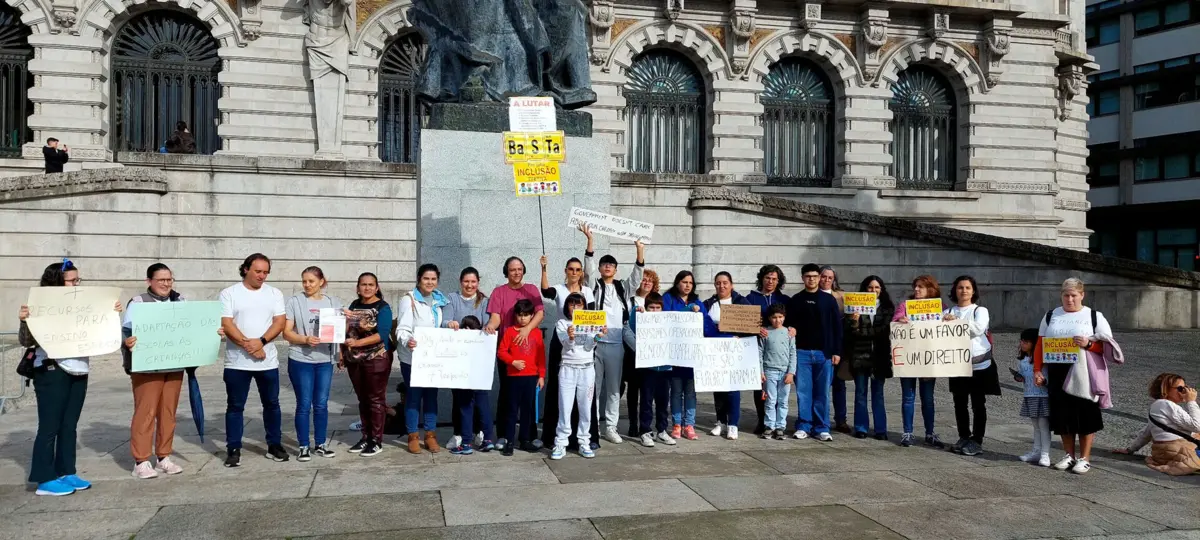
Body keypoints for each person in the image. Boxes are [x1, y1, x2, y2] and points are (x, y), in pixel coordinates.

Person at [18, 259, 122, 496]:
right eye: (72, 281)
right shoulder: (41, 303)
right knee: (49, 425)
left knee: (69, 425)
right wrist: (25, 320)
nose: (76, 284)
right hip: (51, 367)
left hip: (78, 367)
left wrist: (110, 312)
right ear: (57, 282)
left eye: (78, 280)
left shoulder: (83, 303)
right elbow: (27, 341)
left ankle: (66, 470)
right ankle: (44, 478)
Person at [121, 263, 222, 478]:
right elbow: (125, 332)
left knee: (168, 413)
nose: (166, 284)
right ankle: (141, 460)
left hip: (173, 365)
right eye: (161, 280)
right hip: (147, 368)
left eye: (169, 279)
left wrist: (212, 332)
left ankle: (163, 456)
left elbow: (193, 328)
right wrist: (127, 342)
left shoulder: (180, 301)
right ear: (149, 281)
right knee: (145, 412)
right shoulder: (138, 303)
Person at [1034, 277, 1118, 474]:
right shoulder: (1050, 315)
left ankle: (1085, 457)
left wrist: (1088, 344)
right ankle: (1069, 455)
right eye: (1066, 295)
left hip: (1084, 371)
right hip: (1057, 370)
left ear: (1082, 295)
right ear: (1061, 295)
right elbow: (1040, 344)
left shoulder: (1094, 316)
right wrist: (1038, 369)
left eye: (1073, 295)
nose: (1069, 299)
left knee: (1086, 413)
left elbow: (1107, 345)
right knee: (1062, 414)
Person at [219, 253, 287, 467]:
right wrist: (249, 346)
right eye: (258, 271)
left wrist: (262, 341)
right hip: (237, 361)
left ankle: (274, 444)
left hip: (267, 360)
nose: (262, 276)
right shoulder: (229, 293)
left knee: (272, 404)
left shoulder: (275, 293)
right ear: (246, 269)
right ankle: (233, 447)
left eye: (266, 272)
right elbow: (227, 324)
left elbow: (279, 322)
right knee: (235, 405)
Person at [581, 224, 646, 444]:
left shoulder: (622, 288)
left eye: (611, 265)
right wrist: (590, 241)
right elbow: (587, 269)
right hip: (595, 343)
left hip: (617, 344)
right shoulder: (593, 286)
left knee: (613, 390)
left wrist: (639, 250)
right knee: (594, 386)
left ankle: (611, 427)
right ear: (600, 268)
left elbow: (636, 278)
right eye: (604, 264)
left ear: (616, 269)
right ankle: (593, 427)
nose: (607, 267)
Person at [282, 266, 342, 462]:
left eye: (311, 281)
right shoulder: (295, 301)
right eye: (304, 281)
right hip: (301, 358)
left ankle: (321, 443)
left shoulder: (333, 302)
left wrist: (340, 352)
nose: (307, 285)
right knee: (304, 404)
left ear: (321, 282)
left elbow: (339, 331)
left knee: (322, 404)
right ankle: (303, 446)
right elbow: (286, 332)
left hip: (325, 359)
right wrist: (304, 339)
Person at [538, 255, 598, 449]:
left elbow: (592, 317)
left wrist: (596, 334)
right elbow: (545, 291)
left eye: (578, 269)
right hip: (563, 338)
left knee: (585, 392)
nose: (574, 272)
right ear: (566, 271)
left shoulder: (588, 291)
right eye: (571, 269)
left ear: (582, 273)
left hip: (584, 341)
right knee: (559, 387)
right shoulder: (560, 289)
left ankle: (586, 439)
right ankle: (555, 437)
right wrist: (544, 268)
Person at [486, 256, 546, 448]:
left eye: (520, 269)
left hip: (529, 354)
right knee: (506, 396)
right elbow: (496, 317)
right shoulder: (499, 292)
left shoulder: (531, 290)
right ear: (506, 272)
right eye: (512, 269)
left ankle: (527, 435)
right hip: (508, 353)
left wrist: (527, 330)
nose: (517, 272)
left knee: (529, 400)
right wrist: (489, 326)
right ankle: (504, 435)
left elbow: (540, 312)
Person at [784, 263, 843, 441]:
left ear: (819, 278)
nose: (812, 279)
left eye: (815, 276)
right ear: (803, 278)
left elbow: (836, 327)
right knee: (803, 392)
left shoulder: (829, 300)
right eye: (808, 276)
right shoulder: (795, 300)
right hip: (801, 352)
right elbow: (789, 325)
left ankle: (822, 427)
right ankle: (804, 425)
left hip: (823, 353)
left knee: (822, 392)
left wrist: (836, 351)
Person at [942, 275, 999, 456]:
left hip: (979, 365)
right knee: (959, 403)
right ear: (955, 290)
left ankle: (977, 439)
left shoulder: (980, 310)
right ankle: (963, 436)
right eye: (960, 287)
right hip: (957, 364)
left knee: (978, 403)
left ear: (973, 291)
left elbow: (977, 329)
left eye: (967, 287)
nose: (964, 291)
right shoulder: (948, 310)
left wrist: (956, 322)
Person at [397, 264, 449, 454]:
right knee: (413, 397)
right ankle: (413, 435)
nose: (430, 282)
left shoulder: (439, 300)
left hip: (432, 358)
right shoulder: (408, 299)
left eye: (433, 279)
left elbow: (441, 324)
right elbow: (402, 328)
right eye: (426, 278)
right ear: (419, 279)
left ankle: (430, 435)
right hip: (412, 358)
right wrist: (407, 340)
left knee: (431, 397)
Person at [442, 267, 494, 454]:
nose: (470, 285)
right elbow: (444, 320)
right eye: (466, 282)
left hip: (478, 358)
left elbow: (488, 324)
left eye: (473, 282)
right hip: (458, 358)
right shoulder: (452, 299)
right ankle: (462, 436)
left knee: (480, 400)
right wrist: (450, 323)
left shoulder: (484, 301)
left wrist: (488, 327)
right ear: (460, 281)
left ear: (478, 282)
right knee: (461, 399)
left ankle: (484, 435)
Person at [892, 275, 947, 449]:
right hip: (909, 358)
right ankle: (907, 432)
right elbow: (894, 323)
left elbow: (948, 330)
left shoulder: (940, 308)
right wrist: (900, 320)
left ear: (931, 289)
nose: (916, 289)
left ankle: (929, 432)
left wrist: (950, 320)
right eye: (915, 286)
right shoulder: (905, 306)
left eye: (920, 287)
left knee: (928, 398)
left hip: (928, 361)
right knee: (908, 397)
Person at [342, 272, 393, 457]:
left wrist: (357, 344)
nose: (367, 288)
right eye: (363, 284)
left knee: (376, 400)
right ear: (358, 287)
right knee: (363, 399)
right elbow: (347, 331)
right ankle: (365, 437)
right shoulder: (354, 305)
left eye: (371, 284)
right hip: (355, 360)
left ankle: (376, 440)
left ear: (377, 287)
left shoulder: (383, 307)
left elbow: (382, 334)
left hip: (376, 359)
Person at [1114, 373, 1200, 476]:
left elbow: (1147, 433)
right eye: (1180, 388)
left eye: (1185, 388)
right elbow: (1197, 425)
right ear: (1165, 389)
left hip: (1163, 453)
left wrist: (1130, 449)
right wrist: (1191, 401)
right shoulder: (1166, 404)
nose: (1184, 391)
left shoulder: (1157, 406)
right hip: (1178, 450)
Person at [702, 271, 754, 440]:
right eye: (718, 283)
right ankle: (720, 421)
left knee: (732, 389)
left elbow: (751, 326)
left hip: (735, 351)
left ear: (732, 284)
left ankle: (733, 424)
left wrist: (740, 336)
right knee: (718, 388)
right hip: (716, 351)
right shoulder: (709, 303)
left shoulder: (742, 302)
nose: (721, 286)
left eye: (725, 283)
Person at [550, 293, 601, 460]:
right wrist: (571, 337)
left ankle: (584, 441)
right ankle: (561, 442)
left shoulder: (590, 321)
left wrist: (598, 336)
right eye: (572, 305)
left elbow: (588, 347)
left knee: (585, 407)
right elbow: (566, 345)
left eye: (579, 305)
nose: (575, 308)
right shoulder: (562, 323)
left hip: (587, 368)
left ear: (584, 307)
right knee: (565, 406)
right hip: (567, 368)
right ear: (567, 307)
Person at [843, 275, 894, 440]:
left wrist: (861, 331)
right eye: (870, 288)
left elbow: (883, 331)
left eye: (876, 288)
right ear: (865, 289)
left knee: (878, 395)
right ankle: (861, 427)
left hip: (879, 357)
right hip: (860, 356)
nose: (873, 291)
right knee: (860, 393)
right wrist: (854, 322)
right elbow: (849, 332)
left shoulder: (887, 307)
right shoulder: (855, 306)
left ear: (881, 290)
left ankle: (880, 429)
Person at [497, 299, 546, 456]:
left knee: (528, 410)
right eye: (520, 315)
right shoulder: (510, 332)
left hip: (531, 377)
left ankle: (525, 440)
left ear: (532, 316)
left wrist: (542, 375)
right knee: (511, 410)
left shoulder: (537, 333)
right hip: (513, 377)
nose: (522, 318)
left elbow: (541, 356)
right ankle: (509, 441)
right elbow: (501, 351)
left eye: (526, 315)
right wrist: (513, 362)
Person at [747, 264, 792, 435]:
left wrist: (793, 328)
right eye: (767, 278)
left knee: (780, 395)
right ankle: (763, 420)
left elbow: (791, 321)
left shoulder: (785, 300)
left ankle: (778, 423)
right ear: (761, 279)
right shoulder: (751, 298)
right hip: (758, 347)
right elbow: (744, 321)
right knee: (760, 387)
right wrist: (756, 328)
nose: (770, 281)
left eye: (774, 279)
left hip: (778, 352)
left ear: (778, 281)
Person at [663, 271, 704, 440]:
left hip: (692, 354)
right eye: (684, 281)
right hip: (675, 353)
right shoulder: (668, 299)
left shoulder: (698, 302)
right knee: (676, 390)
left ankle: (690, 424)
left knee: (690, 391)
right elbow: (666, 318)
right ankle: (677, 424)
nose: (687, 285)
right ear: (677, 282)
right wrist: (687, 309)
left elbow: (706, 323)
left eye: (690, 283)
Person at [630, 292, 674, 447]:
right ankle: (645, 431)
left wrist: (691, 309)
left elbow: (682, 320)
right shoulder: (642, 319)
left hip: (665, 368)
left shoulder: (667, 321)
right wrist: (638, 312)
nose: (655, 311)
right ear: (647, 308)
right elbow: (632, 325)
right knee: (646, 401)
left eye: (657, 308)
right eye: (651, 308)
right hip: (648, 367)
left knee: (663, 402)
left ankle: (662, 430)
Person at [448, 315, 495, 455]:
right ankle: (488, 440)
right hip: (480, 380)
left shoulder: (459, 341)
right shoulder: (484, 340)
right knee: (483, 409)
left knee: (466, 410)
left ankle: (466, 443)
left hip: (466, 381)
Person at [624, 268, 660, 435]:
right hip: (633, 351)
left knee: (648, 391)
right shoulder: (631, 300)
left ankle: (646, 423)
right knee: (633, 389)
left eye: (650, 281)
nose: (646, 283)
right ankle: (633, 423)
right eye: (644, 280)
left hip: (652, 352)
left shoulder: (657, 302)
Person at [1012, 328, 1050, 467]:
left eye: (1026, 341)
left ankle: (1045, 453)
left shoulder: (1043, 360)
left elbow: (1049, 378)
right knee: (1035, 426)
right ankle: (1037, 451)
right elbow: (1023, 375)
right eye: (1021, 341)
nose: (1022, 344)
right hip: (1029, 395)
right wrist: (1018, 377)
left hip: (1043, 396)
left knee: (1043, 426)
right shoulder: (1022, 360)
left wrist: (1045, 382)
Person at [819, 265, 850, 434]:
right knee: (821, 386)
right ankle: (821, 418)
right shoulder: (812, 294)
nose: (826, 280)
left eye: (830, 278)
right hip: (819, 347)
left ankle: (841, 419)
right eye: (823, 276)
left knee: (839, 384)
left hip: (838, 346)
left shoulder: (842, 296)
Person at [759, 304, 796, 440]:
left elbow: (793, 353)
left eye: (780, 317)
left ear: (784, 317)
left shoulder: (789, 333)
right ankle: (769, 426)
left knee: (783, 401)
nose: (777, 320)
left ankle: (780, 426)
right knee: (770, 400)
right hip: (770, 371)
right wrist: (761, 371)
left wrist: (791, 372)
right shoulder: (765, 333)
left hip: (785, 372)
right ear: (769, 318)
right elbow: (760, 352)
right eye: (774, 317)